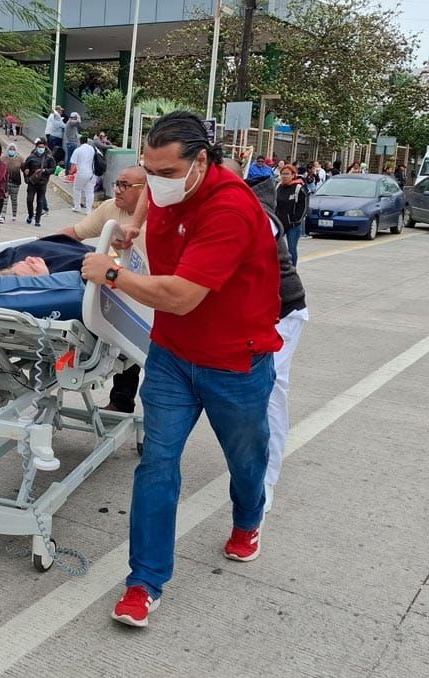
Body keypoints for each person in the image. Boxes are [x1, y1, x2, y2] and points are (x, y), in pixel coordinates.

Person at [81, 111, 281, 628]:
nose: (157, 181)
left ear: (202, 163)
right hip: (172, 355)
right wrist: (133, 227)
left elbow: (183, 296)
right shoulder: (162, 184)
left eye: (168, 173)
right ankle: (144, 583)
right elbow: (150, 195)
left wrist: (114, 273)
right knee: (157, 464)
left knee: (245, 457)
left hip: (235, 360)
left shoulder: (230, 209)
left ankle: (247, 520)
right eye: (149, 169)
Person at [229, 161, 308, 514]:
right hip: (250, 314)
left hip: (281, 314)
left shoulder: (256, 215)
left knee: (269, 390)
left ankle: (266, 482)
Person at [59, 165, 148, 414]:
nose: (117, 190)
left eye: (124, 185)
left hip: (156, 286)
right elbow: (76, 232)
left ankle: (152, 418)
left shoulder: (164, 217)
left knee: (149, 353)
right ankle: (121, 400)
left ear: (146, 191)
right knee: (121, 337)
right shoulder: (111, 209)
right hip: (125, 283)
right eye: (116, 184)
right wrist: (44, 244)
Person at [275, 164, 307, 267]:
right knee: (275, 248)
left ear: (293, 175)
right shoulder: (278, 186)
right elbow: (274, 204)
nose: (284, 176)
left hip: (293, 225)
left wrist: (295, 220)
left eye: (287, 174)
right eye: (283, 174)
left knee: (291, 249)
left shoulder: (298, 188)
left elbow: (303, 207)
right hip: (280, 223)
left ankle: (292, 270)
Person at [21, 138, 55, 228]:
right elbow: (25, 168)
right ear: (36, 147)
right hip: (32, 182)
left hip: (42, 183)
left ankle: (37, 220)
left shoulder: (49, 158)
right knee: (29, 200)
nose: (41, 149)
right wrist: (26, 176)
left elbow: (53, 169)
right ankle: (30, 214)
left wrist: (45, 170)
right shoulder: (31, 157)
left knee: (40, 201)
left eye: (42, 147)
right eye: (39, 147)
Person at [69, 135, 96, 215]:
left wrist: (70, 172)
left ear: (79, 141)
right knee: (90, 191)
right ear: (87, 141)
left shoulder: (78, 150)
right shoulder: (92, 149)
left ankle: (77, 207)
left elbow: (73, 164)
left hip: (82, 173)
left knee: (77, 189)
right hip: (91, 173)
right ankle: (89, 210)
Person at [0, 142, 23, 223]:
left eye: (13, 149)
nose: (12, 151)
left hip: (16, 183)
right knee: (4, 200)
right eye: (10, 149)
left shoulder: (20, 159)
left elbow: (24, 169)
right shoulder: (3, 158)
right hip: (5, 183)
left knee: (14, 200)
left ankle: (14, 215)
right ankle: (2, 216)